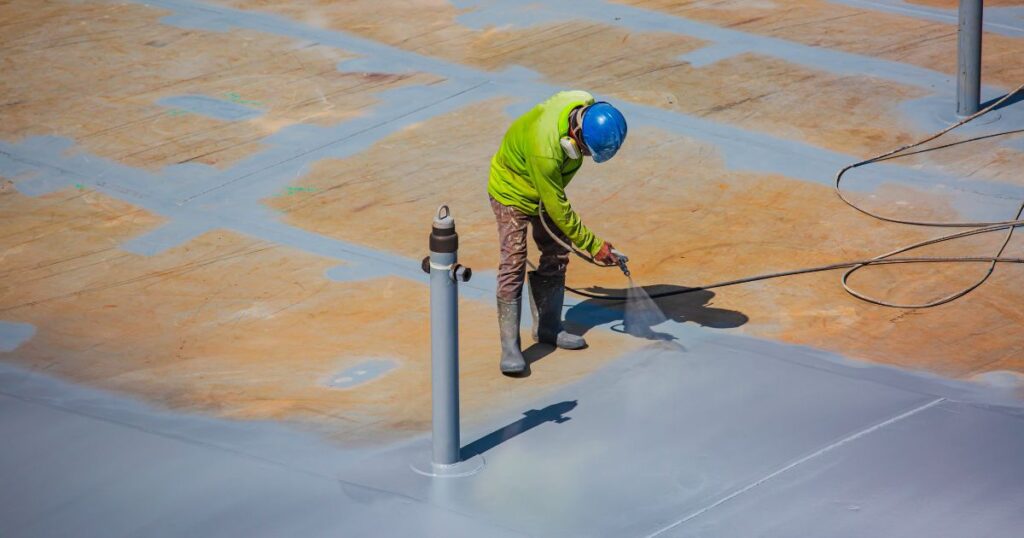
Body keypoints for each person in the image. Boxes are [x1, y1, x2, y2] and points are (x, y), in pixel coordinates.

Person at [487, 90, 628, 374]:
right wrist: (593, 245)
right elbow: (559, 209)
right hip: (511, 191)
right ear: (575, 134)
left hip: (544, 189)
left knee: (557, 252)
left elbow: (554, 200)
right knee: (513, 260)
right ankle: (510, 346)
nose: (585, 156)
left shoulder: (582, 104)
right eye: (586, 151)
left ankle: (548, 328)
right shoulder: (547, 150)